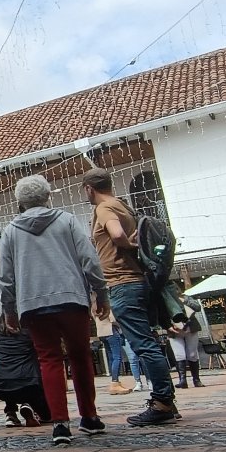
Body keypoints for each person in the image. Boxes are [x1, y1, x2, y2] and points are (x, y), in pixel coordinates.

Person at [0, 175, 108, 446]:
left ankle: (60, 424)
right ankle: (90, 417)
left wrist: (9, 310)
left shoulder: (11, 230)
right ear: (48, 196)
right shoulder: (67, 221)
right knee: (81, 356)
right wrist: (100, 292)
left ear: (19, 201)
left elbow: (5, 276)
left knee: (49, 360)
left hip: (32, 303)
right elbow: (89, 259)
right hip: (71, 298)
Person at [83, 167, 179, 426]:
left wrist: (127, 244)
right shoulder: (123, 205)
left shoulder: (103, 209)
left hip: (122, 283)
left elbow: (115, 234)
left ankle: (162, 403)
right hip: (137, 281)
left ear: (89, 189)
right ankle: (166, 400)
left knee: (143, 345)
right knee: (147, 342)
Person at [0, 318, 50, 427]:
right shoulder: (31, 324)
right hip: (29, 383)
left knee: (6, 376)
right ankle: (29, 405)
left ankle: (11, 414)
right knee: (47, 416)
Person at [170, 295, 206, 388]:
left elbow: (197, 307)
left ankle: (196, 380)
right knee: (179, 355)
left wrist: (184, 300)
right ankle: (182, 380)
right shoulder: (165, 299)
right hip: (175, 331)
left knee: (192, 355)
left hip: (191, 328)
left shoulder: (186, 297)